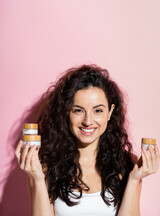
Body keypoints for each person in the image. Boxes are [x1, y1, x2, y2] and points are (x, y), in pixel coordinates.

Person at [15, 64, 159, 216]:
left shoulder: (126, 163)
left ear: (110, 112)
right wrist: (38, 180)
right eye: (78, 110)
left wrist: (134, 180)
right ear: (66, 112)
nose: (88, 121)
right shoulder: (44, 167)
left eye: (98, 110)